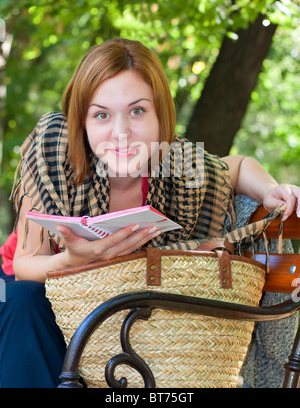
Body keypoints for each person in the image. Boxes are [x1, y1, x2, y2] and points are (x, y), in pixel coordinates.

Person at [0, 38, 299, 388]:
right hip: (29, 296)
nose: (121, 132)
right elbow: (23, 267)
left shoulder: (175, 165)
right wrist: (74, 260)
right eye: (101, 115)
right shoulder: (55, 157)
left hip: (112, 312)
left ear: (160, 115)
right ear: (82, 122)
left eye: (137, 111)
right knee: (24, 300)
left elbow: (236, 166)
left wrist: (268, 190)